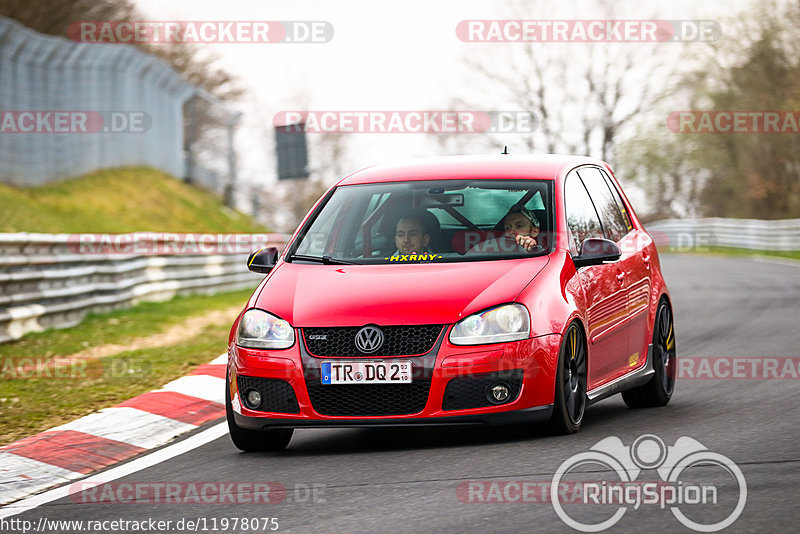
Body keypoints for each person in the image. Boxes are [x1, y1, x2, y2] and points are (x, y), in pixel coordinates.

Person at [467, 207, 541, 254]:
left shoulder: (545, 253)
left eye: (519, 226)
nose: (511, 231)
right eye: (508, 228)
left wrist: (533, 248)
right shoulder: (493, 250)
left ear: (535, 231)